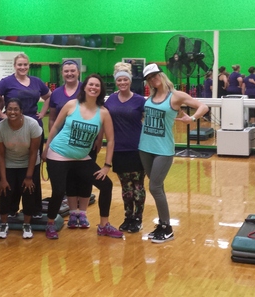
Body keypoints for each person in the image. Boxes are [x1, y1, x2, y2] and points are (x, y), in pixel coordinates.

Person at [43, 74, 122, 239]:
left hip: (81, 157)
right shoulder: (72, 105)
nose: (93, 88)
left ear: (101, 90)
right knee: (59, 191)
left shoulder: (103, 113)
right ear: (84, 87)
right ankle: (50, 224)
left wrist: (107, 166)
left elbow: (111, 140)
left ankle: (104, 225)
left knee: (106, 185)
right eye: (91, 84)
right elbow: (56, 126)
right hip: (58, 154)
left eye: (97, 85)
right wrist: (46, 148)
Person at [139, 63, 208, 244]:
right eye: (149, 78)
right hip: (145, 147)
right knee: (157, 186)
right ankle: (162, 225)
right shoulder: (151, 96)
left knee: (154, 187)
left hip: (163, 149)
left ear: (162, 75)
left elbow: (203, 106)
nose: (153, 80)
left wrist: (191, 118)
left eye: (155, 76)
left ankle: (167, 228)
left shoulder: (176, 96)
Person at [0, 53, 51, 218]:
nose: (22, 67)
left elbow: (48, 96)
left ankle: (34, 209)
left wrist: (43, 112)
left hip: (33, 127)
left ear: (29, 65)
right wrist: (1, 113)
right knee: (13, 169)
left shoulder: (36, 81)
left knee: (33, 167)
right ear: (15, 66)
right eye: (19, 64)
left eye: (25, 64)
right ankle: (11, 208)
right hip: (12, 126)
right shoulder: (6, 82)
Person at [104, 63, 145, 233]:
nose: (122, 83)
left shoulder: (140, 100)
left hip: (137, 149)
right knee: (126, 187)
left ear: (130, 81)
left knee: (138, 186)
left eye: (125, 80)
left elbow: (149, 122)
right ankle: (128, 217)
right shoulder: (110, 100)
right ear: (116, 81)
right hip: (118, 149)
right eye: (119, 80)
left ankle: (138, 218)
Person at [48, 60, 89, 228]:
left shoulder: (87, 90)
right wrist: (51, 140)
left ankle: (83, 214)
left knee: (85, 179)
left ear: (78, 72)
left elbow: (99, 113)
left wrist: (98, 139)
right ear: (62, 73)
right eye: (66, 71)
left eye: (72, 70)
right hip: (62, 146)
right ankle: (72, 214)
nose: (69, 73)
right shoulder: (56, 93)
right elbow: (52, 119)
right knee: (70, 180)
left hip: (84, 143)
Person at [0, 98, 42, 239]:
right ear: (6, 111)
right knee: (5, 192)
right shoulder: (0, 127)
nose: (12, 112)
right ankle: (4, 224)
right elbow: (0, 154)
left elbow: (33, 152)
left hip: (29, 162)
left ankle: (27, 224)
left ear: (21, 111)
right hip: (8, 163)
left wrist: (29, 177)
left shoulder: (32, 125)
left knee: (29, 192)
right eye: (9, 109)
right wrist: (3, 179)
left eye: (16, 109)